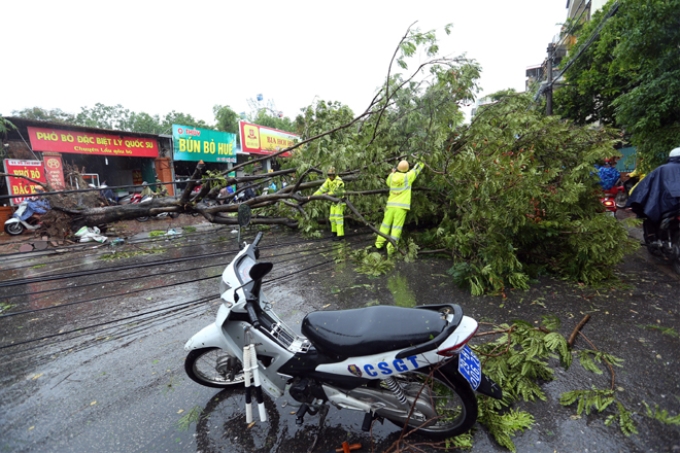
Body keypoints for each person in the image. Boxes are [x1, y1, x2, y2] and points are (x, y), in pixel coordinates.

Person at [375, 158, 424, 255]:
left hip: (391, 206)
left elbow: (388, 182)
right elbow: (416, 169)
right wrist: (422, 160)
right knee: (396, 228)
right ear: (407, 169)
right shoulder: (408, 177)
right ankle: (391, 248)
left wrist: (393, 172)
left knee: (385, 225)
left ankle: (379, 244)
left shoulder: (391, 177)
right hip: (401, 207)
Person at [626, 147, 680, 223]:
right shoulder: (657, 168)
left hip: (668, 206)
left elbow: (644, 188)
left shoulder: (661, 169)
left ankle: (652, 233)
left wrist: (635, 204)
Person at [308, 167, 345, 240]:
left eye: (331, 175)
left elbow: (337, 191)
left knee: (338, 219)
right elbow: (321, 189)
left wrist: (327, 194)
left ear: (334, 174)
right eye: (329, 175)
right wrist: (313, 196)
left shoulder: (339, 181)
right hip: (333, 202)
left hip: (340, 201)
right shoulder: (328, 181)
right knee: (332, 218)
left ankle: (340, 235)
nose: (330, 176)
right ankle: (334, 233)